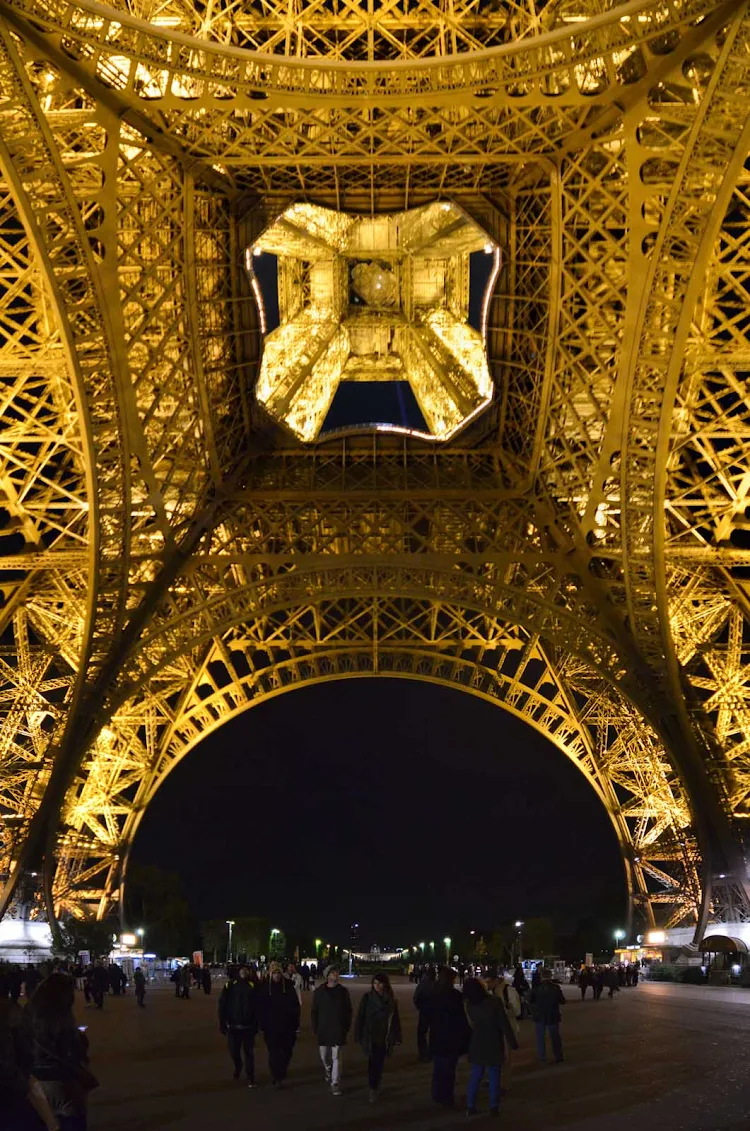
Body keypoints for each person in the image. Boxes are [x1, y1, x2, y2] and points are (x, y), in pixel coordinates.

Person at [24, 972, 96, 1131]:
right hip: (62, 1082)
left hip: (35, 1082)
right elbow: (73, 1050)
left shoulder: (27, 1013)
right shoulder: (62, 1019)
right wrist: (82, 1039)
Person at [462, 977, 517, 1118]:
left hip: (477, 1041)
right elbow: (503, 1023)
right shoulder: (494, 1002)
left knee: (476, 1075)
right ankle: (493, 1106)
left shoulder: (469, 1005)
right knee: (494, 1075)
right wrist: (512, 1041)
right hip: (493, 1040)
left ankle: (471, 1105)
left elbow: (471, 1025)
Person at [425, 966, 470, 1109]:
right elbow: (461, 1018)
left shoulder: (434, 993)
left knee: (438, 1067)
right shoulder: (455, 995)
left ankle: (437, 1093)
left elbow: (427, 1014)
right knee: (449, 1070)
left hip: (437, 1035)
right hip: (451, 1036)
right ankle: (447, 1097)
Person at [354, 972, 401, 1103]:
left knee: (378, 1063)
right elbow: (360, 1016)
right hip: (370, 1034)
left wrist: (397, 1036)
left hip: (384, 1036)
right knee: (372, 1062)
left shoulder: (391, 1000)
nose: (377, 986)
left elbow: (395, 1020)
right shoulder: (367, 998)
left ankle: (375, 1085)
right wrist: (358, 1033)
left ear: (385, 984)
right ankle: (373, 1088)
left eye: (380, 983)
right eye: (375, 983)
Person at [311, 965, 352, 1096]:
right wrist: (315, 1026)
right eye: (333, 973)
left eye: (337, 972)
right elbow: (314, 1011)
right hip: (323, 1028)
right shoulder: (319, 992)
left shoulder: (343, 991)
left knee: (336, 1057)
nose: (336, 975)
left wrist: (346, 1026)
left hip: (338, 1028)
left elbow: (348, 1010)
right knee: (323, 1056)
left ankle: (335, 1083)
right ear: (327, 975)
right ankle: (328, 1070)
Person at [257, 964, 300, 1088]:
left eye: (278, 973)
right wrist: (262, 1024)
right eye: (274, 973)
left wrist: (295, 1023)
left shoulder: (289, 987)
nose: (276, 975)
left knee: (287, 1051)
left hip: (287, 1026)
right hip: (271, 1027)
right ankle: (277, 1076)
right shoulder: (264, 988)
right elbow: (260, 1007)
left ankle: (282, 1070)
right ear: (271, 973)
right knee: (273, 1053)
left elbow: (295, 1006)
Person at [218, 965, 258, 1086]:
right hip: (233, 1026)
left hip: (248, 1026)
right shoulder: (229, 985)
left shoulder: (253, 986)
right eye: (242, 970)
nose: (244, 972)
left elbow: (258, 1006)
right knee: (234, 1052)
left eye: (246, 970)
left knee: (249, 1053)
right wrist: (222, 1023)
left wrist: (257, 1023)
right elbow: (222, 1005)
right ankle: (238, 1065)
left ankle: (250, 1077)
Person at [529, 967, 565, 1064]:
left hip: (539, 1015)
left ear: (541, 976)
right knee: (555, 1037)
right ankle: (558, 1056)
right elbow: (562, 1000)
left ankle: (542, 1057)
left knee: (540, 1037)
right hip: (552, 1014)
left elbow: (531, 1000)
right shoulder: (555, 988)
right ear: (550, 976)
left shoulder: (536, 988)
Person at [413, 967, 436, 1060]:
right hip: (433, 1011)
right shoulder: (436, 984)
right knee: (433, 1032)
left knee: (422, 1032)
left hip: (425, 1011)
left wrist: (420, 1007)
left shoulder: (423, 984)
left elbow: (416, 997)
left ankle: (423, 1053)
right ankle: (431, 1052)